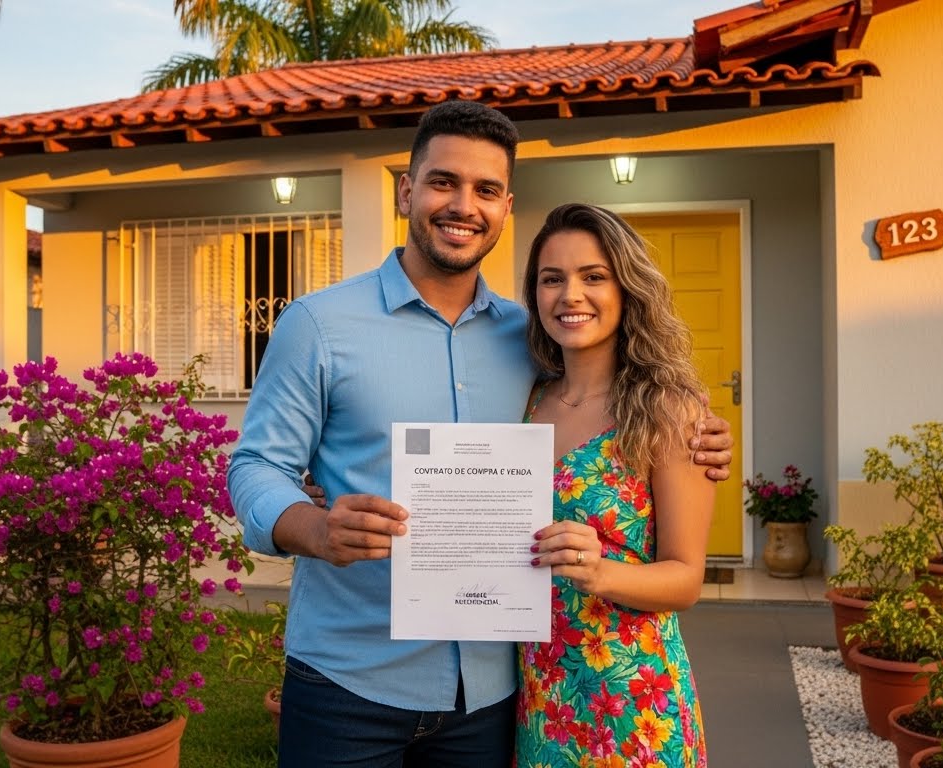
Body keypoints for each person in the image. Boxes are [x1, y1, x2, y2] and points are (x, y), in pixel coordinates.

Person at [227, 100, 731, 768]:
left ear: (504, 206)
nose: (463, 204)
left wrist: (695, 435)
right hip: (348, 679)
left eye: (485, 189)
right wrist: (310, 527)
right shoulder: (317, 325)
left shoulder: (533, 342)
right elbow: (257, 466)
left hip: (495, 693)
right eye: (443, 182)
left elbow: (617, 420)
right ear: (407, 189)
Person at [516, 203, 712, 767]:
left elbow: (687, 578)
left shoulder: (669, 411)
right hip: (541, 693)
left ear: (628, 289)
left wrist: (601, 572)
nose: (569, 295)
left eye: (593, 277)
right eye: (552, 279)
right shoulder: (526, 401)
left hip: (633, 701)